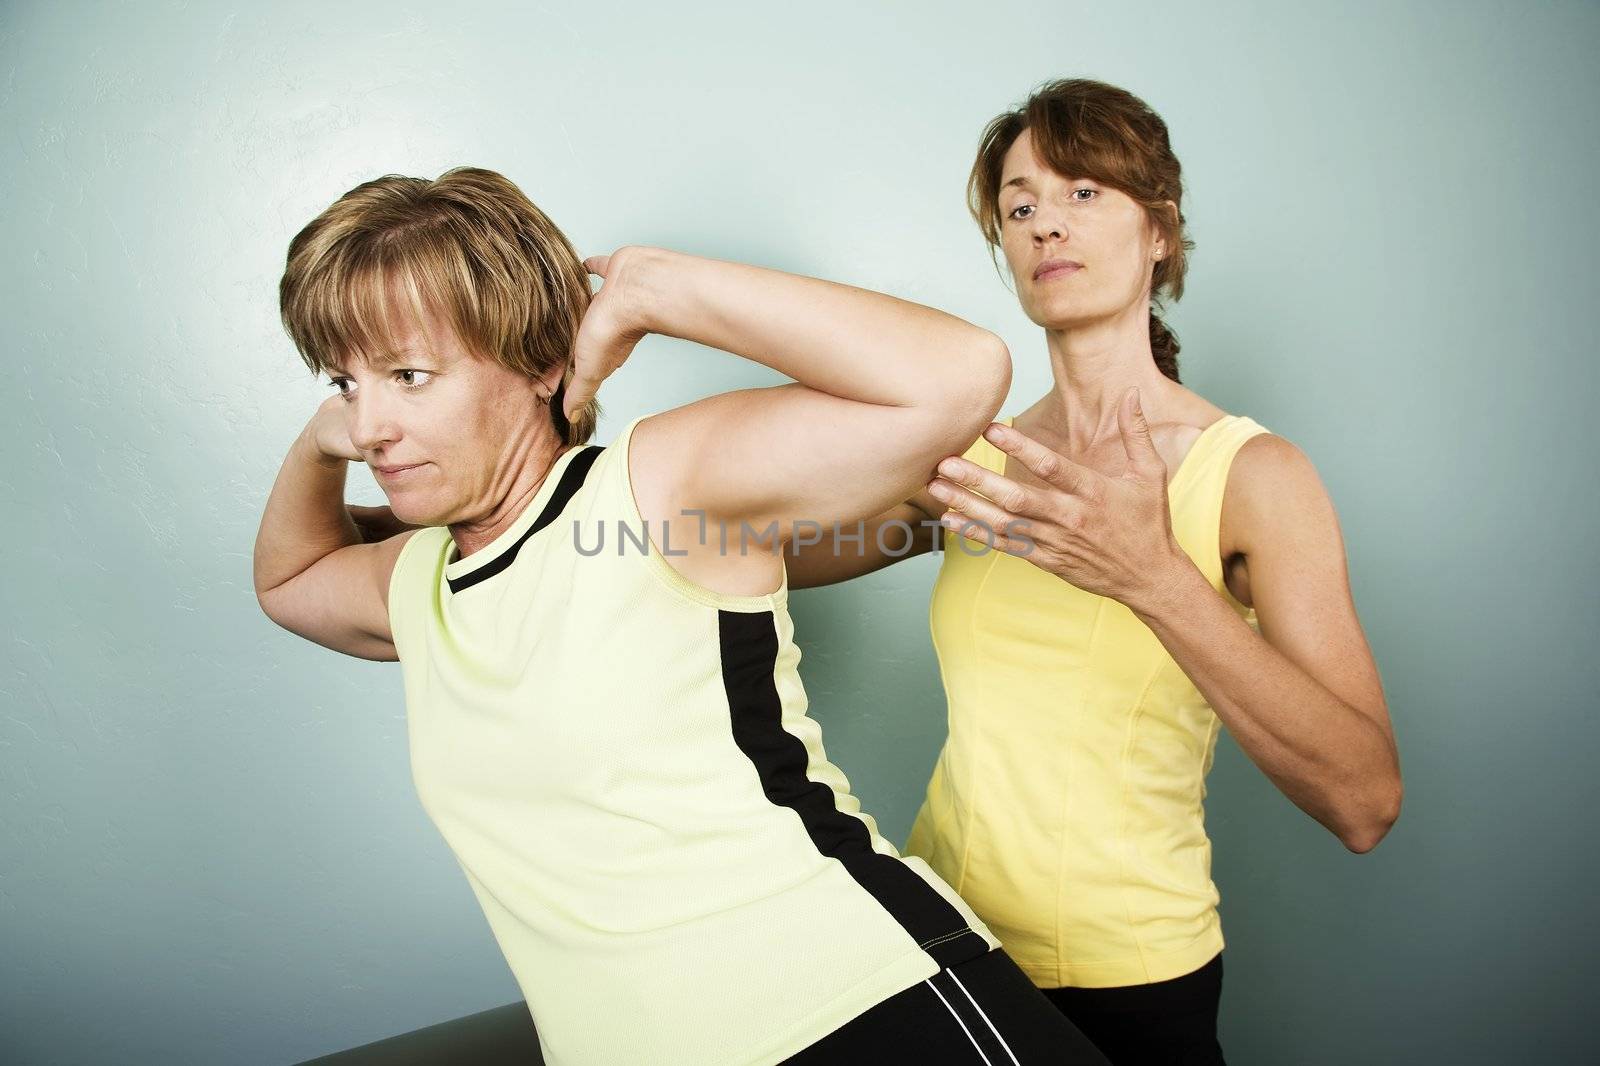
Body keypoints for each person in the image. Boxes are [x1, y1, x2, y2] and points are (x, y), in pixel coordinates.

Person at [253, 166, 1109, 1065]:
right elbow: (290, 579)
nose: (372, 427)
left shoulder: (649, 486)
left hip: (864, 1011)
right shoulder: (418, 578)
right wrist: (319, 438)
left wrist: (654, 290)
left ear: (543, 362)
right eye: (345, 383)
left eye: (409, 375)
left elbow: (957, 374)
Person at [784, 78, 1405, 1064]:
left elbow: (1365, 800)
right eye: (1021, 205)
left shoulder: (1252, 478)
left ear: (1157, 230)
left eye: (1084, 193)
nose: (1045, 226)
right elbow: (767, 553)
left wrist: (1152, 576)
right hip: (947, 949)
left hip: (1131, 981)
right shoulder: (975, 465)